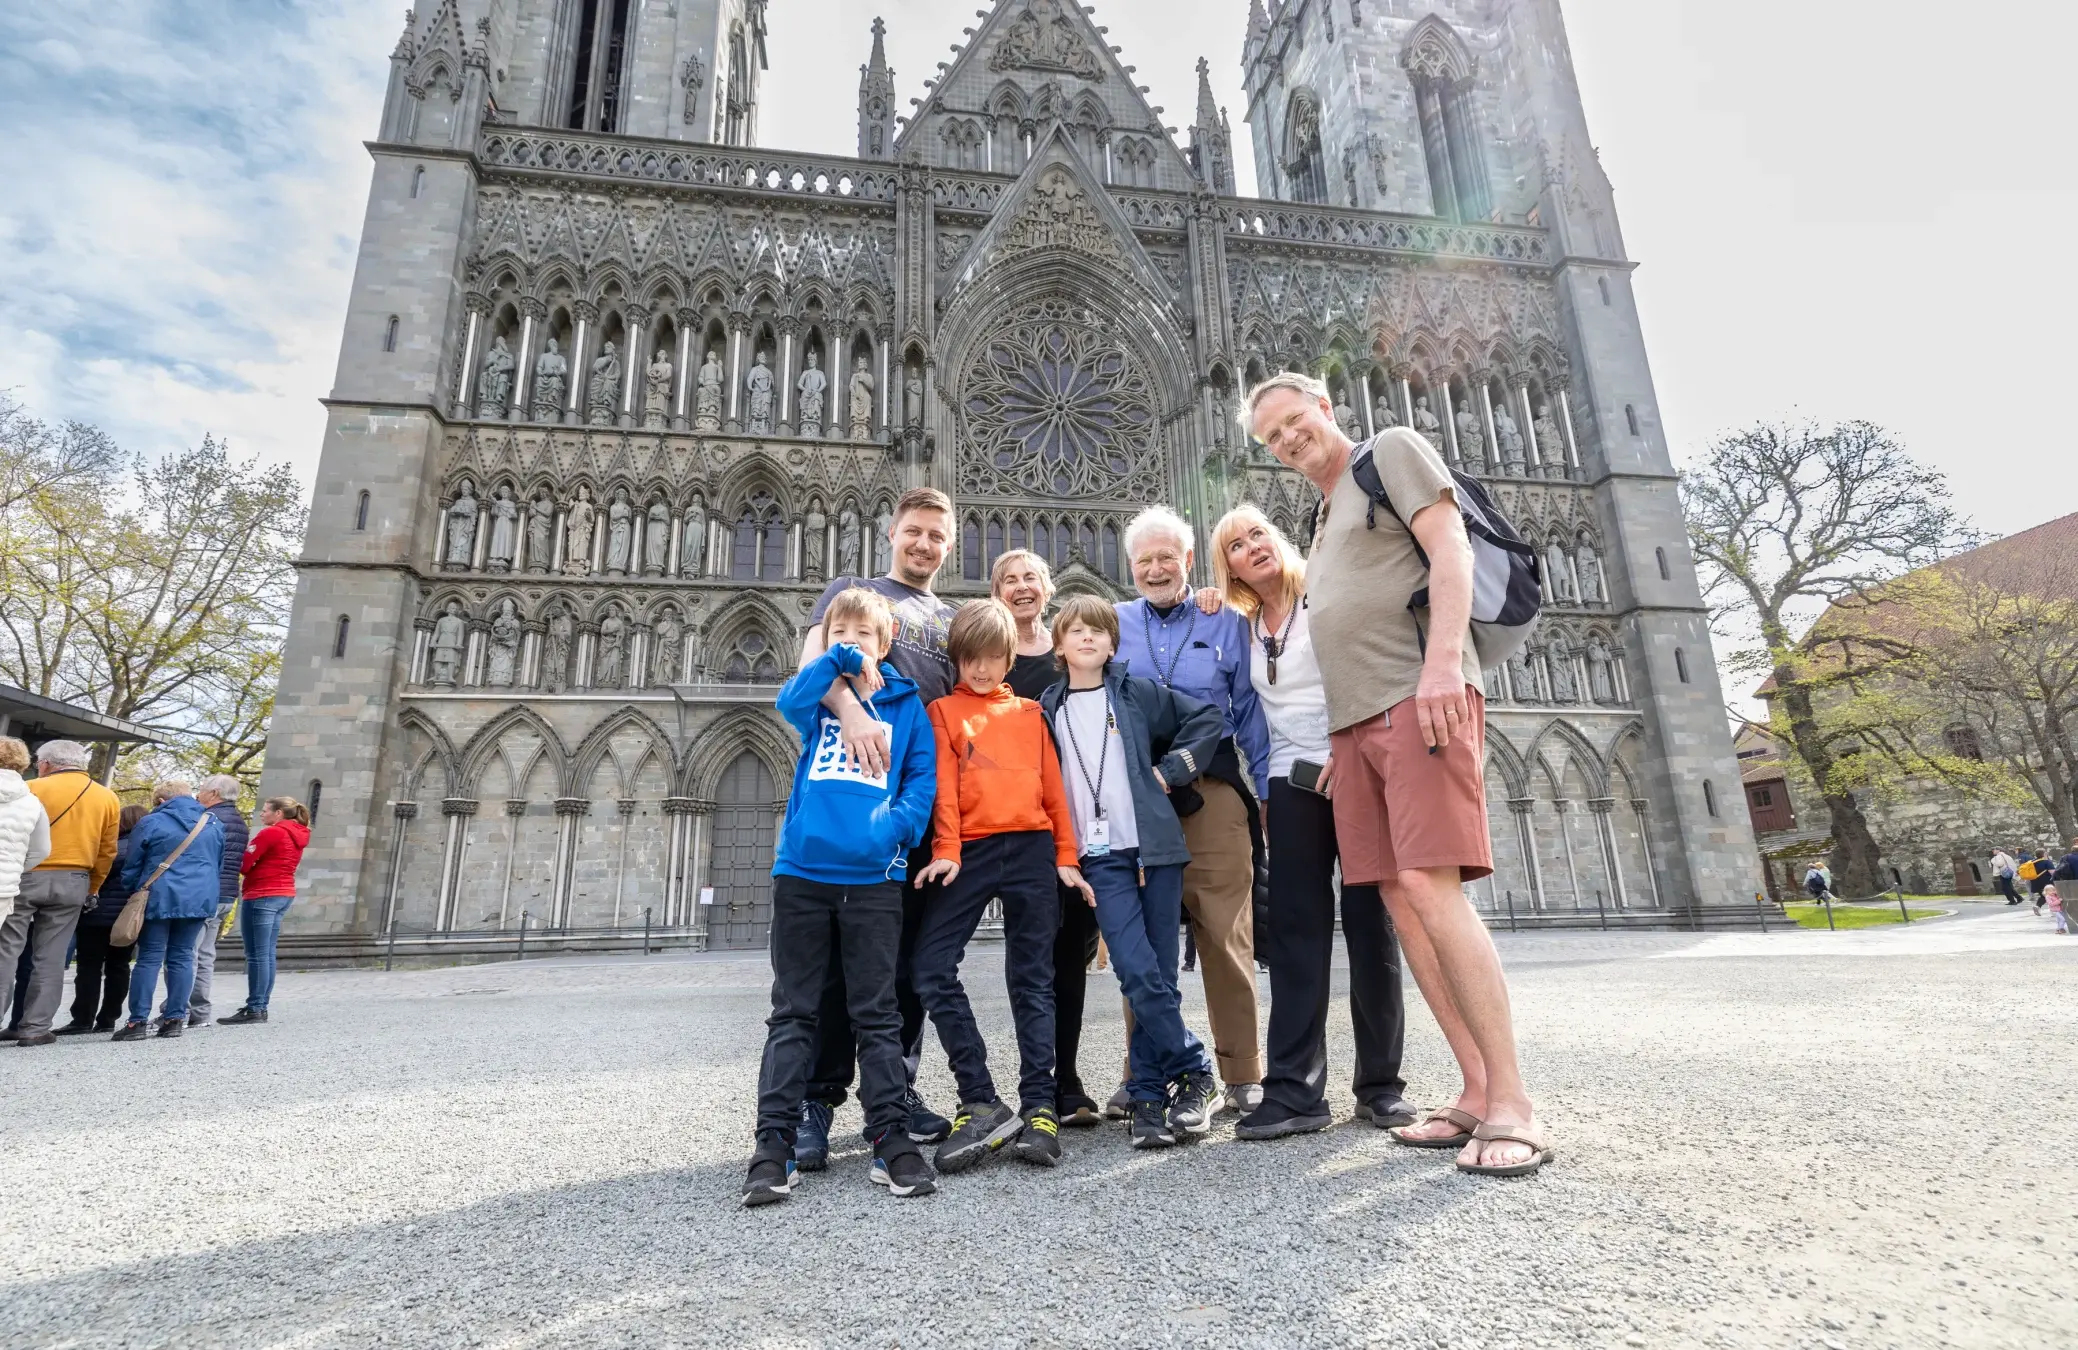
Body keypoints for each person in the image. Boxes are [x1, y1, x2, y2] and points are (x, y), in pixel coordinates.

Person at [1249, 370, 1551, 1177]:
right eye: (1271, 437)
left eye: (1293, 421)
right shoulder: (1322, 511)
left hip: (1414, 701)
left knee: (1431, 888)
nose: (1287, 440)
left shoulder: (1391, 452)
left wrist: (1446, 663)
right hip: (1355, 728)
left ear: (1324, 408)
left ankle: (1514, 1103)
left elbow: (1448, 543)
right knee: (1399, 902)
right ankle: (1476, 1091)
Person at [1206, 505, 1415, 1141]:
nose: (1251, 548)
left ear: (1279, 541)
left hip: (1351, 769)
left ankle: (1381, 1087)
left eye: (1258, 535)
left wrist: (1348, 752)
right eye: (1236, 546)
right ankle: (1297, 1091)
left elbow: (1368, 668)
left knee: (1369, 919)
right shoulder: (1239, 627)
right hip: (1288, 785)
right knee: (1296, 930)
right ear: (1230, 565)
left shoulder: (1324, 594)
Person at [745, 587, 938, 1206]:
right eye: (839, 633)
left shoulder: (909, 708)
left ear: (888, 645)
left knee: (877, 1014)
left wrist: (891, 831)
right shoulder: (821, 702)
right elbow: (788, 697)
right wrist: (838, 670)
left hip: (874, 879)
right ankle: (772, 1146)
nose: (851, 641)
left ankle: (889, 1136)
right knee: (794, 1013)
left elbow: (921, 783)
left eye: (864, 634)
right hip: (803, 871)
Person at [795, 488, 960, 1162]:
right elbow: (811, 666)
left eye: (936, 537)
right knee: (838, 963)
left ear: (949, 547)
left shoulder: (950, 620)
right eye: (914, 532)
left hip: (916, 806)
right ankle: (816, 1098)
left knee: (908, 963)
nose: (923, 545)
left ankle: (893, 1096)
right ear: (891, 530)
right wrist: (856, 715)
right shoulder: (853, 592)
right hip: (853, 799)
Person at [1038, 596, 1225, 1148]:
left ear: (1113, 644)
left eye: (1098, 631)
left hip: (1155, 849)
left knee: (1161, 976)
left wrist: (1173, 769)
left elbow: (1207, 717)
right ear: (1060, 645)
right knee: (1136, 971)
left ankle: (1147, 1096)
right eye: (1076, 631)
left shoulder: (1136, 693)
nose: (1088, 639)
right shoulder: (1047, 707)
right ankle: (1195, 1067)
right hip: (1099, 860)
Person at [912, 600, 1090, 1173]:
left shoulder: (1032, 712)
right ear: (957, 659)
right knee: (931, 968)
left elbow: (1053, 788)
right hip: (972, 851)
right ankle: (980, 1097)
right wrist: (946, 850)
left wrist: (1066, 854)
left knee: (1032, 979)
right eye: (972, 660)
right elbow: (943, 786)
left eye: (993, 658)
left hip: (1034, 848)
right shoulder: (941, 710)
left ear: (1009, 658)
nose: (983, 670)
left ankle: (1040, 1108)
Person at [1113, 505, 1273, 1116]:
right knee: (1142, 940)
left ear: (1187, 561)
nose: (1156, 568)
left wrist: (1264, 792)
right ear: (1131, 567)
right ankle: (1144, 1074)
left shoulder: (1226, 619)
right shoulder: (1113, 622)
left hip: (1212, 789)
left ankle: (1241, 1072)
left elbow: (1250, 710)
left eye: (1167, 557)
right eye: (1145, 559)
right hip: (1136, 794)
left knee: (1225, 929)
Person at [994, 548, 1103, 1128]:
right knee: (1030, 959)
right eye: (1008, 580)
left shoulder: (1068, 654)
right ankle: (1031, 1084)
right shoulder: (988, 658)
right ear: (996, 592)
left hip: (1074, 823)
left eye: (1031, 577)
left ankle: (1066, 1081)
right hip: (1012, 826)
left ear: (1048, 585)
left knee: (1068, 956)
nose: (1021, 588)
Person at [7, 738, 119, 1046]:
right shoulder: (107, 797)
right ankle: (35, 1028)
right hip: (74, 879)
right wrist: (93, 886)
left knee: (6, 951)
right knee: (52, 957)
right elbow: (106, 851)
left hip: (25, 876)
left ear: (45, 764)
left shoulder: (30, 789)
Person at [111, 782, 225, 1042]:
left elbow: (133, 863)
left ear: (161, 800)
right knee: (183, 956)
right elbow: (216, 864)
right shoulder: (214, 823)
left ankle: (137, 1022)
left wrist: (134, 889)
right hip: (199, 898)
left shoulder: (152, 822)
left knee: (149, 958)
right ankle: (174, 1019)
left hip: (159, 895)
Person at [57, 804, 148, 1036]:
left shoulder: (111, 848)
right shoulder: (147, 849)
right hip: (127, 916)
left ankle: (82, 1018)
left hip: (97, 915)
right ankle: (108, 1018)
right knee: (119, 967)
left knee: (89, 967)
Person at [220, 797, 312, 1024]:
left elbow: (244, 864)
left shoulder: (272, 833)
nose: (262, 814)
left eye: (265, 810)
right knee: (267, 953)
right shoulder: (297, 833)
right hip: (283, 893)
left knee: (256, 955)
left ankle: (255, 1008)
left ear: (279, 813)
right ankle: (260, 1005)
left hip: (262, 893)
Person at [182, 775, 249, 1028]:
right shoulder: (240, 822)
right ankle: (200, 1012)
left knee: (187, 952)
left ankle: (180, 1010)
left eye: (202, 791)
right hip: (227, 893)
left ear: (215, 793)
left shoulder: (210, 818)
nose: (198, 795)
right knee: (206, 953)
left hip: (205, 892)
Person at [0, 738, 55, 1042]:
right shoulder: (31, 801)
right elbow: (41, 850)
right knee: (4, 952)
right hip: (4, 886)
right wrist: (14, 869)